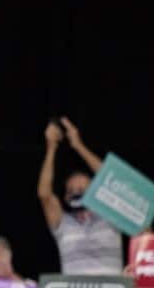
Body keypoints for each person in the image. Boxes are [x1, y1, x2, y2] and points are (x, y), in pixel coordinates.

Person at [37, 117, 122, 274]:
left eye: (83, 189)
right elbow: (45, 195)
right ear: (65, 197)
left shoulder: (111, 216)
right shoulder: (62, 223)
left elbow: (112, 183)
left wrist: (78, 146)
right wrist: (51, 147)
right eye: (72, 190)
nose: (77, 192)